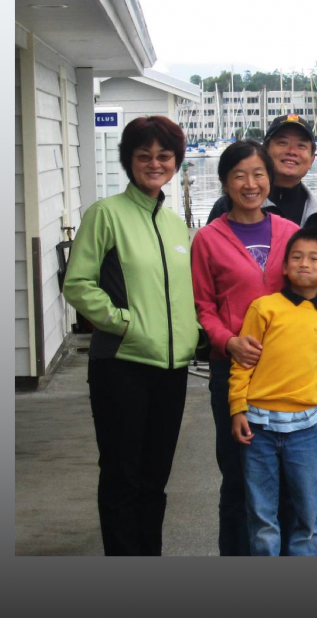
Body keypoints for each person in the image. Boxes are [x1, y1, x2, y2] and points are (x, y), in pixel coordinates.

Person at [64, 116, 199, 555]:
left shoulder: (175, 225)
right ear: (129, 160)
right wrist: (126, 323)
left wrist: (193, 334)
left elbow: (184, 294)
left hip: (171, 368)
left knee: (155, 479)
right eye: (144, 156)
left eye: (164, 156)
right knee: (122, 477)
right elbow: (77, 284)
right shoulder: (106, 214)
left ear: (176, 161)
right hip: (121, 365)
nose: (155, 164)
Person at [191, 140, 301, 555]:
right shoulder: (208, 239)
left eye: (258, 174)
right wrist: (229, 341)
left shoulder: (289, 233)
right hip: (233, 371)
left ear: (270, 179)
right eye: (239, 175)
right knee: (238, 478)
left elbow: (308, 295)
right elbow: (203, 306)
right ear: (225, 182)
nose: (250, 184)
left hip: (287, 374)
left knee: (288, 480)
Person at [228, 228, 317, 556]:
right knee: (262, 515)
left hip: (306, 432)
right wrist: (237, 407)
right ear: (285, 267)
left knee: (309, 516)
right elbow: (243, 364)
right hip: (258, 428)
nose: (304, 263)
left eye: (314, 258)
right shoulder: (263, 308)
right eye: (296, 257)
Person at [207, 114, 317, 229]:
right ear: (265, 152)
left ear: (312, 159)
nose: (291, 151)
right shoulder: (230, 206)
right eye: (282, 143)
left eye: (301, 145)